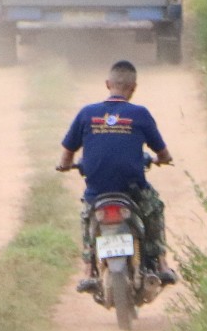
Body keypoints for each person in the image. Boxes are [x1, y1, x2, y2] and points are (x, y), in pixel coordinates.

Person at [56, 60, 176, 286]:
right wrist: (162, 160)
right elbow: (162, 152)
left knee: (88, 218)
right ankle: (161, 263)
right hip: (132, 189)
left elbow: (67, 151)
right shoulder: (140, 114)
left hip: (98, 191)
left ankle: (88, 269)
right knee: (154, 209)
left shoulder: (87, 113)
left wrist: (65, 164)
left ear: (107, 84)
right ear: (133, 88)